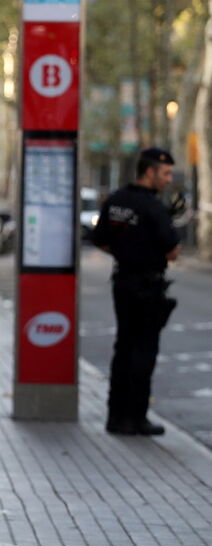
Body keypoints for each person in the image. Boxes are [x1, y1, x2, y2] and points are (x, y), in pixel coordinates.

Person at [93, 147, 181, 436]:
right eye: (165, 173)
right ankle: (136, 417)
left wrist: (125, 252)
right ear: (150, 171)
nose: (168, 179)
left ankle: (115, 416)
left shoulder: (116, 200)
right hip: (148, 285)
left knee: (123, 348)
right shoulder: (153, 207)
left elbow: (100, 240)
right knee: (144, 351)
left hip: (123, 281)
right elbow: (173, 252)